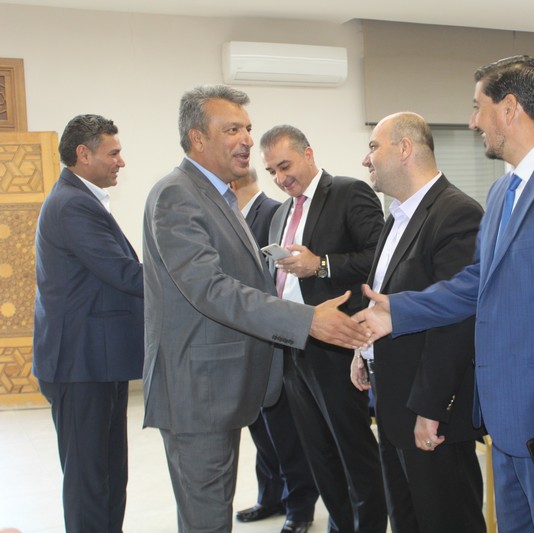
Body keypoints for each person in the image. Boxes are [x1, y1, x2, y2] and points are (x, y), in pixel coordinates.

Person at [357, 55, 534, 531]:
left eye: (478, 107)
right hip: (504, 423)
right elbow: (475, 285)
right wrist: (399, 310)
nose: (473, 121)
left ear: (509, 108)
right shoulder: (502, 193)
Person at [142, 85, 369, 533]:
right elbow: (210, 289)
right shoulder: (177, 195)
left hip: (217, 388)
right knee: (206, 519)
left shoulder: (218, 196)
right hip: (197, 393)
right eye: (232, 129)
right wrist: (307, 321)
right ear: (197, 138)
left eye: (247, 128)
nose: (247, 139)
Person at [350, 112, 486, 532]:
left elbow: (458, 322)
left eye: (374, 147)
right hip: (394, 407)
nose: (366, 159)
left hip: (429, 414)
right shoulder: (396, 215)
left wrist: (431, 409)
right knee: (408, 521)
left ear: (405, 149)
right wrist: (363, 350)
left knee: (447, 521)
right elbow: (383, 296)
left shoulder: (456, 213)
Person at [262, 125, 387, 533]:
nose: (280, 178)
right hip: (293, 344)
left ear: (309, 154)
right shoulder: (280, 214)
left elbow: (380, 256)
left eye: (285, 166)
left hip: (336, 344)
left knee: (352, 449)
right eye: (272, 171)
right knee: (318, 452)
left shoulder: (349, 192)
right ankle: (340, 524)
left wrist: (322, 264)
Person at [33, 114, 143, 532]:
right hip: (80, 364)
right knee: (89, 482)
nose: (121, 162)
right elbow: (124, 274)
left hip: (98, 360)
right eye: (113, 153)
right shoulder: (73, 204)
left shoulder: (81, 198)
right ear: (83, 154)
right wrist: (192, 277)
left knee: (110, 475)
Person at [229, 170, 319, 526]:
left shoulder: (270, 213)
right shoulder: (240, 216)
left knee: (284, 433)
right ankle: (271, 496)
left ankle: (299, 507)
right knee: (261, 428)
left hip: (275, 338)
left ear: (231, 184)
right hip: (252, 337)